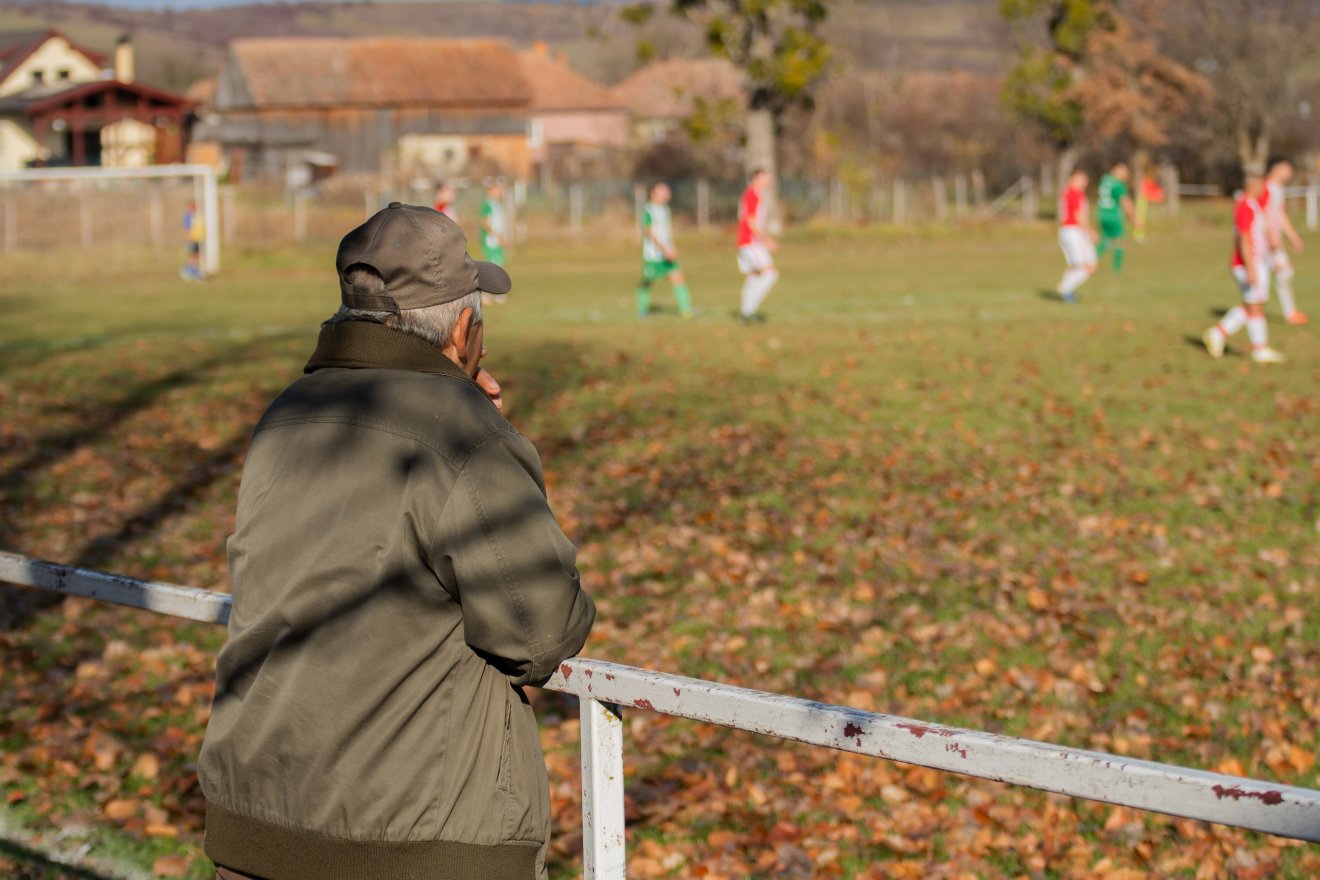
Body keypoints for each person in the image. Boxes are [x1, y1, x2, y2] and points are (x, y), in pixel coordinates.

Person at [197, 202, 596, 880]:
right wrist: (494, 439)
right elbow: (541, 633)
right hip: (415, 841)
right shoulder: (462, 432)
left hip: (257, 820)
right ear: (464, 328)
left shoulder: (288, 412)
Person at [1202, 175, 1286, 364]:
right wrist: (1251, 268)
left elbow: (1261, 237)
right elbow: (1244, 238)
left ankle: (1252, 346)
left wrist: (1272, 260)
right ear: (1254, 186)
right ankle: (1222, 335)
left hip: (1257, 263)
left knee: (1255, 305)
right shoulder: (1245, 206)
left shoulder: (1252, 205)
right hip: (1248, 264)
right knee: (1253, 305)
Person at [636, 182, 694, 319]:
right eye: (663, 192)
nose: (667, 195)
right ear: (654, 194)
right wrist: (663, 250)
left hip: (666, 254)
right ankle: (642, 309)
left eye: (668, 192)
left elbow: (665, 234)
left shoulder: (665, 210)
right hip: (653, 255)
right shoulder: (648, 211)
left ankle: (686, 311)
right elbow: (649, 233)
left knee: (678, 278)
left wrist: (671, 247)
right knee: (646, 282)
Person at [1263, 158, 1308, 325]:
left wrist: (1293, 236)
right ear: (1277, 167)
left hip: (1275, 242)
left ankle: (1290, 313)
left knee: (1284, 273)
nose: (1289, 173)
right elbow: (1261, 214)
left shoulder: (1278, 189)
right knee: (1280, 274)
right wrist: (1270, 237)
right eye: (1287, 169)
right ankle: (1254, 312)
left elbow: (1280, 215)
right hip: (1266, 243)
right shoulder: (1265, 188)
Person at [736, 167, 778, 324]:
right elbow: (750, 220)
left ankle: (746, 313)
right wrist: (766, 239)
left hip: (745, 241)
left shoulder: (751, 194)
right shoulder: (753, 194)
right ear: (756, 179)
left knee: (753, 276)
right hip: (751, 242)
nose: (768, 180)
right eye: (765, 177)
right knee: (770, 274)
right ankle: (750, 310)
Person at [1056, 169, 1097, 303]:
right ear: (1072, 179)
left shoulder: (1067, 192)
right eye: (1080, 178)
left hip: (1067, 231)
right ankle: (1065, 289)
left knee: (1076, 265)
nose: (1084, 181)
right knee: (1087, 266)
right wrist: (1090, 231)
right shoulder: (1074, 193)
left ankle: (1067, 291)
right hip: (1074, 231)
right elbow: (1077, 215)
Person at [1096, 162, 1140, 270]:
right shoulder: (1118, 184)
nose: (1126, 176)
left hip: (1101, 214)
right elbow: (1125, 202)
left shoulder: (1105, 180)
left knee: (1105, 241)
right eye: (1124, 173)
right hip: (1113, 215)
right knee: (1120, 241)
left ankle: (1090, 260)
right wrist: (1134, 219)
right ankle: (1117, 268)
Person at [480, 180, 508, 303]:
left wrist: (503, 236)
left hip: (498, 239)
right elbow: (485, 223)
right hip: (491, 240)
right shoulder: (487, 205)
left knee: (500, 265)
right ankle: (487, 293)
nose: (500, 192)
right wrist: (496, 236)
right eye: (497, 190)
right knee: (491, 267)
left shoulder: (497, 205)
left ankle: (498, 292)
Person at [181, 201, 204, 281]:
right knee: (192, 256)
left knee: (197, 255)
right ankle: (188, 271)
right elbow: (187, 229)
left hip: (198, 238)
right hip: (192, 239)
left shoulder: (198, 216)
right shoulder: (188, 216)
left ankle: (194, 271)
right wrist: (189, 239)